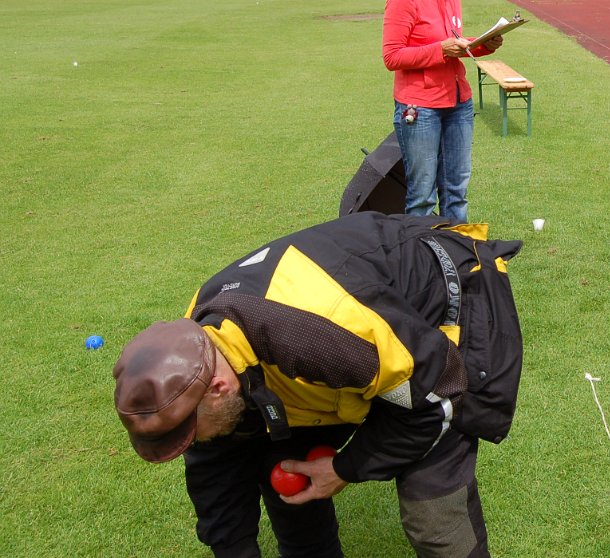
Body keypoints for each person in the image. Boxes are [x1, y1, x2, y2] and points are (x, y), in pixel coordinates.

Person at [112, 212, 523, 558]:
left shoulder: (321, 336)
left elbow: (436, 400)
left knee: (431, 502)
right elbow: (215, 474)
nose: (194, 442)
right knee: (283, 462)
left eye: (191, 432)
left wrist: (346, 468)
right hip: (361, 340)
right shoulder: (199, 356)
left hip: (442, 302)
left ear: (218, 386)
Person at [383, 0, 504, 225]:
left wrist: (483, 45)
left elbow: (454, 44)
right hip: (421, 109)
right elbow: (392, 56)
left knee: (456, 192)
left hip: (458, 104)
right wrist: (439, 51)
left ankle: (456, 260)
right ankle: (423, 266)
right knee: (422, 197)